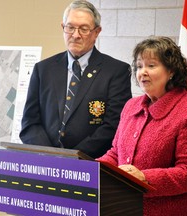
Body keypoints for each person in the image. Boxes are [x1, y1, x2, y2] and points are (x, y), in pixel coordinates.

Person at [97, 36, 187, 215]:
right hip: (125, 207)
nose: (142, 72)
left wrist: (143, 177)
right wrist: (93, 169)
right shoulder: (131, 106)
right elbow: (115, 153)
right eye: (139, 66)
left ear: (171, 71)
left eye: (151, 65)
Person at [19, 0, 132, 158]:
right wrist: (51, 155)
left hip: (92, 164)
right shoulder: (43, 69)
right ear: (62, 28)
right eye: (70, 27)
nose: (76, 35)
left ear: (96, 32)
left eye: (84, 29)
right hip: (46, 164)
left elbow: (114, 126)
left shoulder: (116, 71)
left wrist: (72, 157)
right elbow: (30, 123)